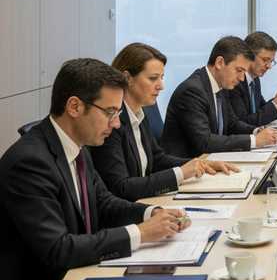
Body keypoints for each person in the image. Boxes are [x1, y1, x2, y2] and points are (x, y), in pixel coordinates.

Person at [0, 58, 188, 280]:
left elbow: (104, 203)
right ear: (75, 107)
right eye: (110, 112)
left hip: (82, 271)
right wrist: (139, 233)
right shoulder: (29, 163)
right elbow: (58, 250)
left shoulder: (76, 146)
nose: (117, 124)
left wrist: (152, 213)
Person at [91, 43, 240, 201]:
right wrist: (180, 174)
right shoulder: (111, 123)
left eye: (161, 78)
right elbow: (121, 187)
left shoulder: (140, 112)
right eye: (153, 78)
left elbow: (157, 159)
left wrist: (200, 163)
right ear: (128, 78)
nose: (161, 86)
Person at [161, 36, 277, 158]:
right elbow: (205, 142)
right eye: (239, 70)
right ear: (219, 63)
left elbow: (232, 124)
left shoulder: (221, 85)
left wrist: (256, 132)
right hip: (188, 165)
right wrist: (254, 141)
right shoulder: (192, 91)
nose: (241, 78)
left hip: (211, 161)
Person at [228, 31, 277, 127]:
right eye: (265, 60)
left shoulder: (255, 80)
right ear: (249, 55)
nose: (269, 66)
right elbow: (243, 124)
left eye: (271, 61)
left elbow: (261, 109)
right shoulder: (235, 81)